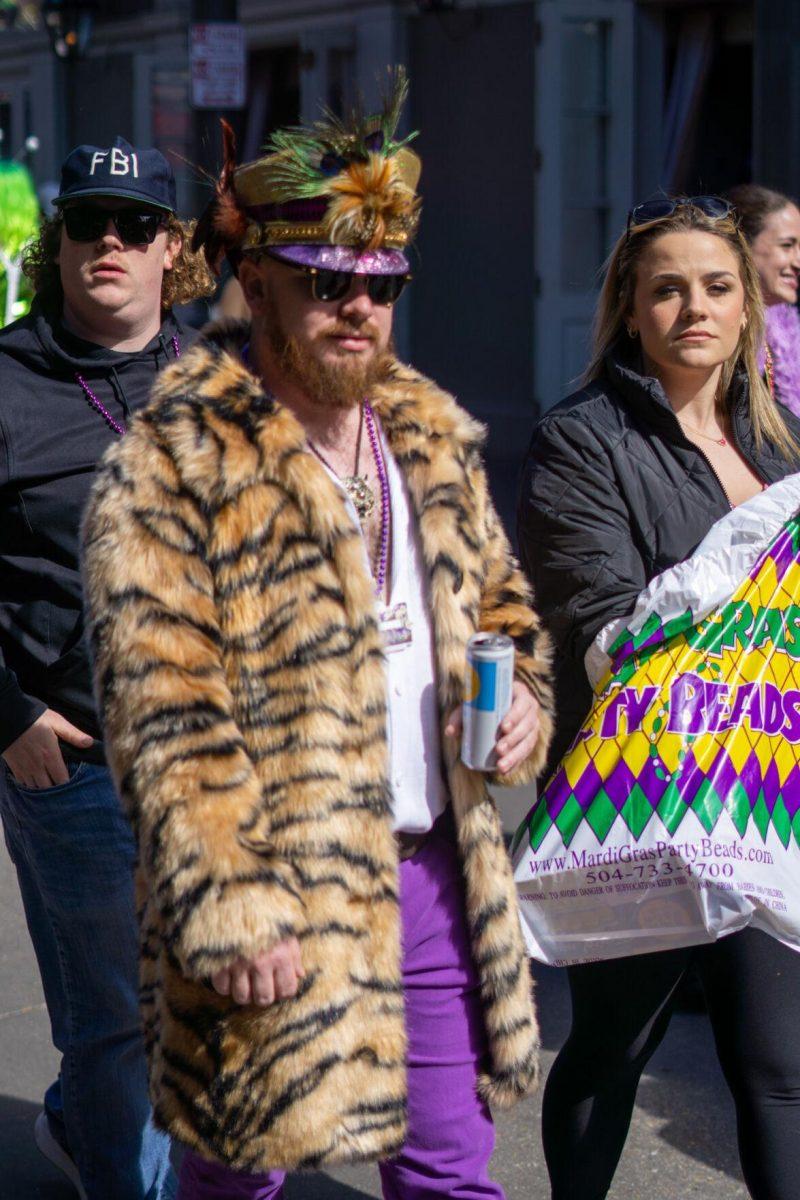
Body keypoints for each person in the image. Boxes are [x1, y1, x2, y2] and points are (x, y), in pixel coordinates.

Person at [81, 77, 554, 1200]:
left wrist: (521, 687)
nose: (356, 308)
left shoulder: (427, 434)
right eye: (323, 283)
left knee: (450, 1174)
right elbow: (164, 719)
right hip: (273, 888)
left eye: (379, 286)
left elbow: (499, 608)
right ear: (256, 285)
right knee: (243, 1174)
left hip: (432, 871)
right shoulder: (174, 461)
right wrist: (233, 908)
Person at [518, 197, 800, 1200]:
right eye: (666, 288)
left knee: (776, 1068)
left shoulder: (780, 444)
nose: (694, 308)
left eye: (716, 287)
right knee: (609, 1048)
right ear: (629, 309)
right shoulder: (579, 438)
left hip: (764, 791)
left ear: (748, 307)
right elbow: (600, 618)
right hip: (638, 792)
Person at [0, 135, 213, 1200]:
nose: (112, 244)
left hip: (216, 753)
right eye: (90, 223)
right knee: (118, 1019)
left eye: (137, 225)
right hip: (72, 759)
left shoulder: (223, 377)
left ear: (173, 248)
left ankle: (85, 1131)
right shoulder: (6, 381)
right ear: (61, 244)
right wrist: (6, 714)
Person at [727, 183, 800, 415]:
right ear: (743, 246)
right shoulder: (719, 335)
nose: (798, 262)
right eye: (787, 245)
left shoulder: (789, 340)